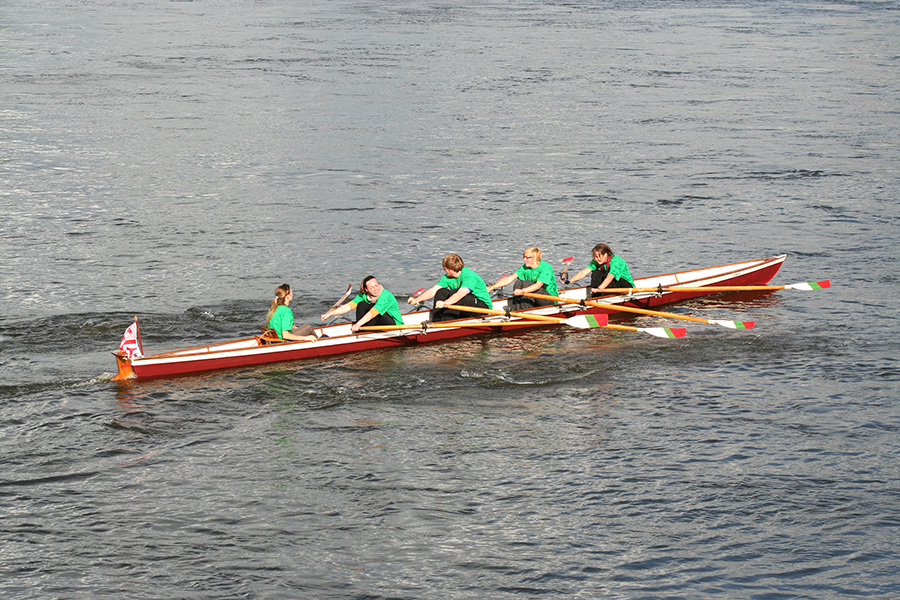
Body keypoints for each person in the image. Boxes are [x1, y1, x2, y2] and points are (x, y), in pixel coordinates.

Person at [407, 253, 492, 322]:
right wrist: (417, 300)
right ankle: (436, 322)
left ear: (449, 269)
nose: (444, 270)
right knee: (441, 291)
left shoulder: (469, 276)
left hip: (482, 307)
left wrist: (445, 303)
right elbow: (433, 290)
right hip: (464, 306)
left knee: (455, 293)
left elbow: (460, 294)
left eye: (444, 269)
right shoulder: (448, 277)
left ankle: (447, 322)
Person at [321, 276, 403, 333]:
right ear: (366, 289)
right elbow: (349, 306)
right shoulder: (363, 295)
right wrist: (330, 313)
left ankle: (362, 331)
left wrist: (358, 324)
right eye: (371, 288)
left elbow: (373, 313)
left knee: (371, 308)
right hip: (377, 320)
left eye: (376, 286)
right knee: (361, 304)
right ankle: (361, 331)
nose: (375, 290)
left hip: (393, 325)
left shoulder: (385, 296)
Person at [487, 246, 559, 310]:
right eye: (524, 257)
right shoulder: (525, 268)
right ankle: (518, 310)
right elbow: (510, 278)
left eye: (528, 258)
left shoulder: (545, 267)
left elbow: (538, 286)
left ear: (535, 258)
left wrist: (522, 291)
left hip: (549, 299)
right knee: (518, 282)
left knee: (526, 283)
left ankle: (524, 311)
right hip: (534, 297)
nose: (524, 260)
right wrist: (492, 287)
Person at [569, 243, 634, 296]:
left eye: (597, 257)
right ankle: (595, 297)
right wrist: (569, 281)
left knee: (606, 276)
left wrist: (599, 288)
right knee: (596, 273)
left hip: (626, 286)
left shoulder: (617, 261)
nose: (595, 259)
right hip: (610, 284)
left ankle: (603, 298)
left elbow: (610, 277)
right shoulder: (597, 261)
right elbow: (584, 272)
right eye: (594, 257)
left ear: (605, 254)